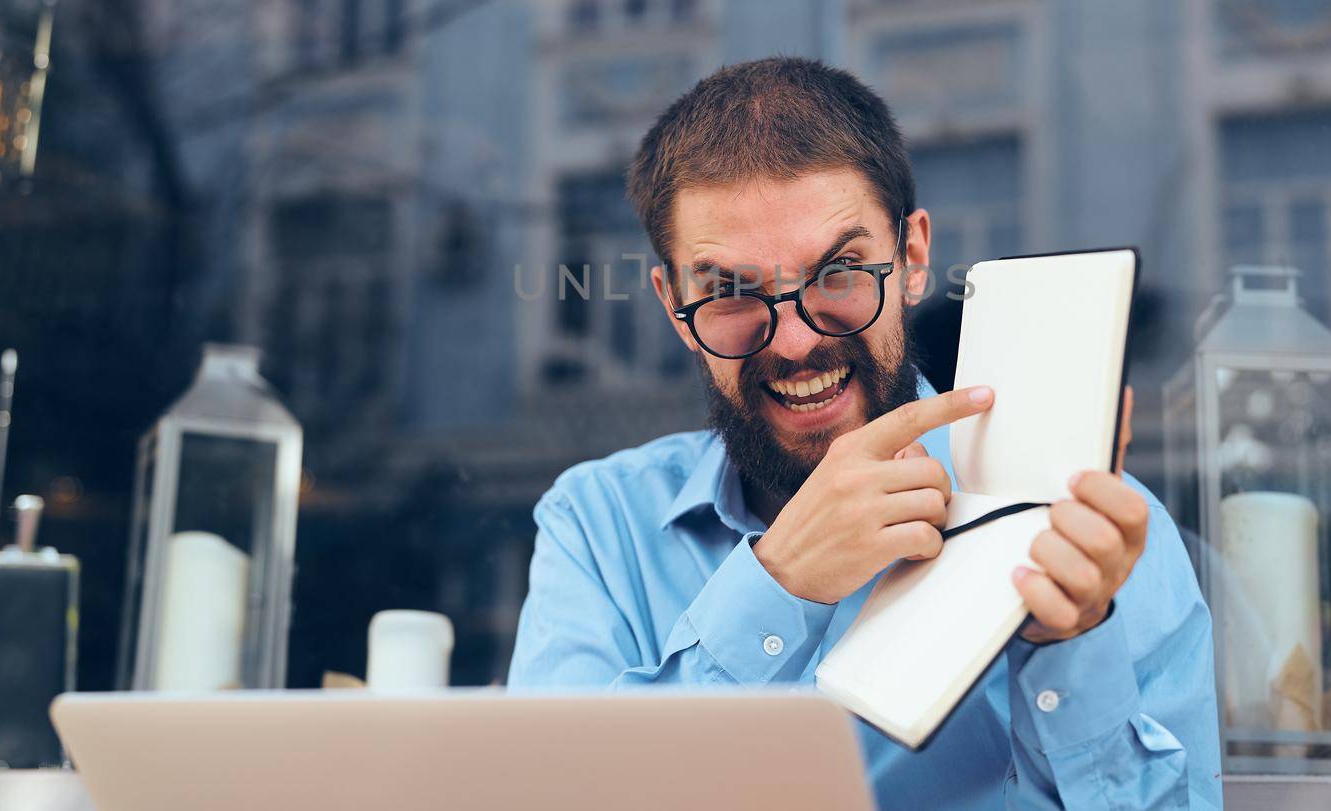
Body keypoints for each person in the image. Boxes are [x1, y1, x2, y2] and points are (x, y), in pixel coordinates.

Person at [508, 57, 1222, 808]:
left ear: (912, 259)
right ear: (671, 303)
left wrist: (1068, 644)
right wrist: (781, 583)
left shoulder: (1090, 530)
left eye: (840, 271)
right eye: (728, 293)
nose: (792, 341)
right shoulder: (597, 523)